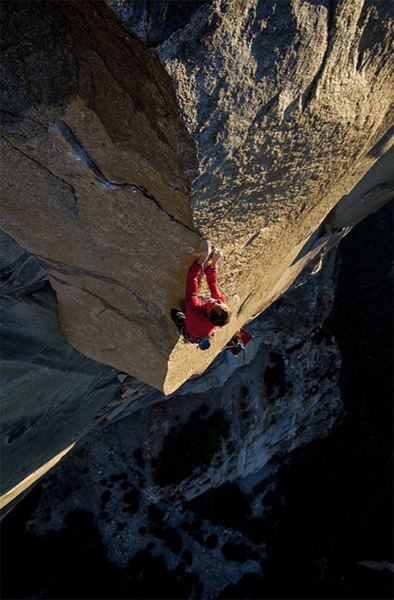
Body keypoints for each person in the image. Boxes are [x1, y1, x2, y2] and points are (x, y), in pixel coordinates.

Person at [171, 239, 231, 350]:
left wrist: (202, 257)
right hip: (205, 333)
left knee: (174, 313)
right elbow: (212, 283)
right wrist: (214, 263)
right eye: (220, 303)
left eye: (215, 303)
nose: (217, 300)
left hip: (191, 334)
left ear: (208, 312)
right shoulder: (220, 306)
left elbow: (192, 277)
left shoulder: (193, 307)